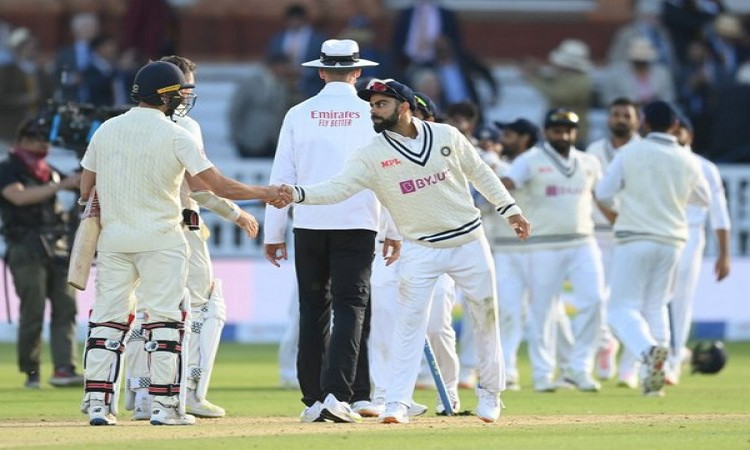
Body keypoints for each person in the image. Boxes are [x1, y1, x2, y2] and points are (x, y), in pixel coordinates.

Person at [278, 78, 530, 424]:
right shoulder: (371, 154)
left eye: (381, 104)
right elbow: (337, 189)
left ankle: (490, 393)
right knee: (409, 326)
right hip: (420, 248)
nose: (373, 111)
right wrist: (296, 194)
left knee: (485, 316)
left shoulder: (447, 137)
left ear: (405, 107)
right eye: (371, 105)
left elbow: (481, 173)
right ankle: (397, 402)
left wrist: (510, 209)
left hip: (469, 241)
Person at [78, 60, 285, 426]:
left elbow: (85, 189)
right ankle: (165, 407)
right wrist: (265, 193)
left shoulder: (106, 130)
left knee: (107, 321)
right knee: (166, 323)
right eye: (178, 94)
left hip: (113, 241)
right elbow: (215, 186)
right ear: (165, 96)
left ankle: (98, 405)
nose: (182, 101)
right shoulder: (177, 134)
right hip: (161, 240)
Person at [122, 55, 258, 420]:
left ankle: (140, 396)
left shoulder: (125, 124)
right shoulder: (184, 126)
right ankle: (190, 393)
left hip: (135, 229)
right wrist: (236, 211)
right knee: (206, 306)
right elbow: (199, 185)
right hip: (182, 227)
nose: (187, 96)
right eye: (185, 88)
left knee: (147, 309)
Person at [263, 39, 383, 424]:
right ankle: (340, 394)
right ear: (358, 71)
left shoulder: (299, 113)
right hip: (358, 221)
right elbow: (389, 172)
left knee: (313, 308)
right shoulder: (371, 112)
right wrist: (394, 228)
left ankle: (314, 397)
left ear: (320, 71)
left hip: (310, 223)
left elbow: (281, 178)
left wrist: (274, 232)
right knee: (351, 307)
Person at [595, 100, 710, 397]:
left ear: (644, 122)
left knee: (619, 309)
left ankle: (648, 353)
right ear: (674, 125)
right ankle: (654, 379)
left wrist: (628, 206)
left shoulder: (630, 152)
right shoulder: (688, 159)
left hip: (635, 236)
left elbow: (603, 193)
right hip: (672, 240)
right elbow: (703, 198)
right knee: (656, 306)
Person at [501, 108, 605, 393]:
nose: (564, 135)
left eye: (568, 130)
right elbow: (504, 185)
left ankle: (580, 369)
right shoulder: (530, 160)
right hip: (544, 244)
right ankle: (543, 373)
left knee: (595, 301)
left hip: (583, 240)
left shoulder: (589, 162)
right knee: (543, 310)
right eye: (557, 130)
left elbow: (602, 197)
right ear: (547, 132)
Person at [0, 118, 82, 389]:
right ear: (22, 139)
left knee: (66, 309)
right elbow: (19, 197)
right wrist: (63, 184)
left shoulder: (47, 169)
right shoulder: (7, 168)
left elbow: (77, 186)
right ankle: (31, 371)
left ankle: (64, 368)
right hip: (26, 246)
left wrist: (83, 178)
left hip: (57, 245)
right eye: (37, 139)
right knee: (33, 310)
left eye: (46, 139)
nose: (43, 144)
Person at [667, 113, 730, 384]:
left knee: (680, 300)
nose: (674, 136)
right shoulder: (659, 161)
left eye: (679, 132)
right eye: (671, 131)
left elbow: (719, 213)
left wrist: (724, 254)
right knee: (652, 300)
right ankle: (654, 357)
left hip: (691, 234)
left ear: (689, 136)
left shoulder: (704, 167)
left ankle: (672, 361)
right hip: (658, 233)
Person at [585, 97, 642, 386]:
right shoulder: (595, 151)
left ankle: (630, 366)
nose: (620, 119)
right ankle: (606, 344)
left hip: (632, 233)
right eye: (616, 114)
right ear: (608, 118)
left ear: (637, 120)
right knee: (599, 297)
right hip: (598, 232)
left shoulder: (644, 151)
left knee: (633, 299)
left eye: (626, 115)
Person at [492, 117, 540, 391]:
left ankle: (565, 368)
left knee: (542, 312)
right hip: (511, 246)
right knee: (511, 311)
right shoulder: (522, 160)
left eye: (509, 135)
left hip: (529, 246)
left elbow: (505, 183)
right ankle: (508, 370)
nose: (503, 139)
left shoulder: (530, 159)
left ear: (524, 138)